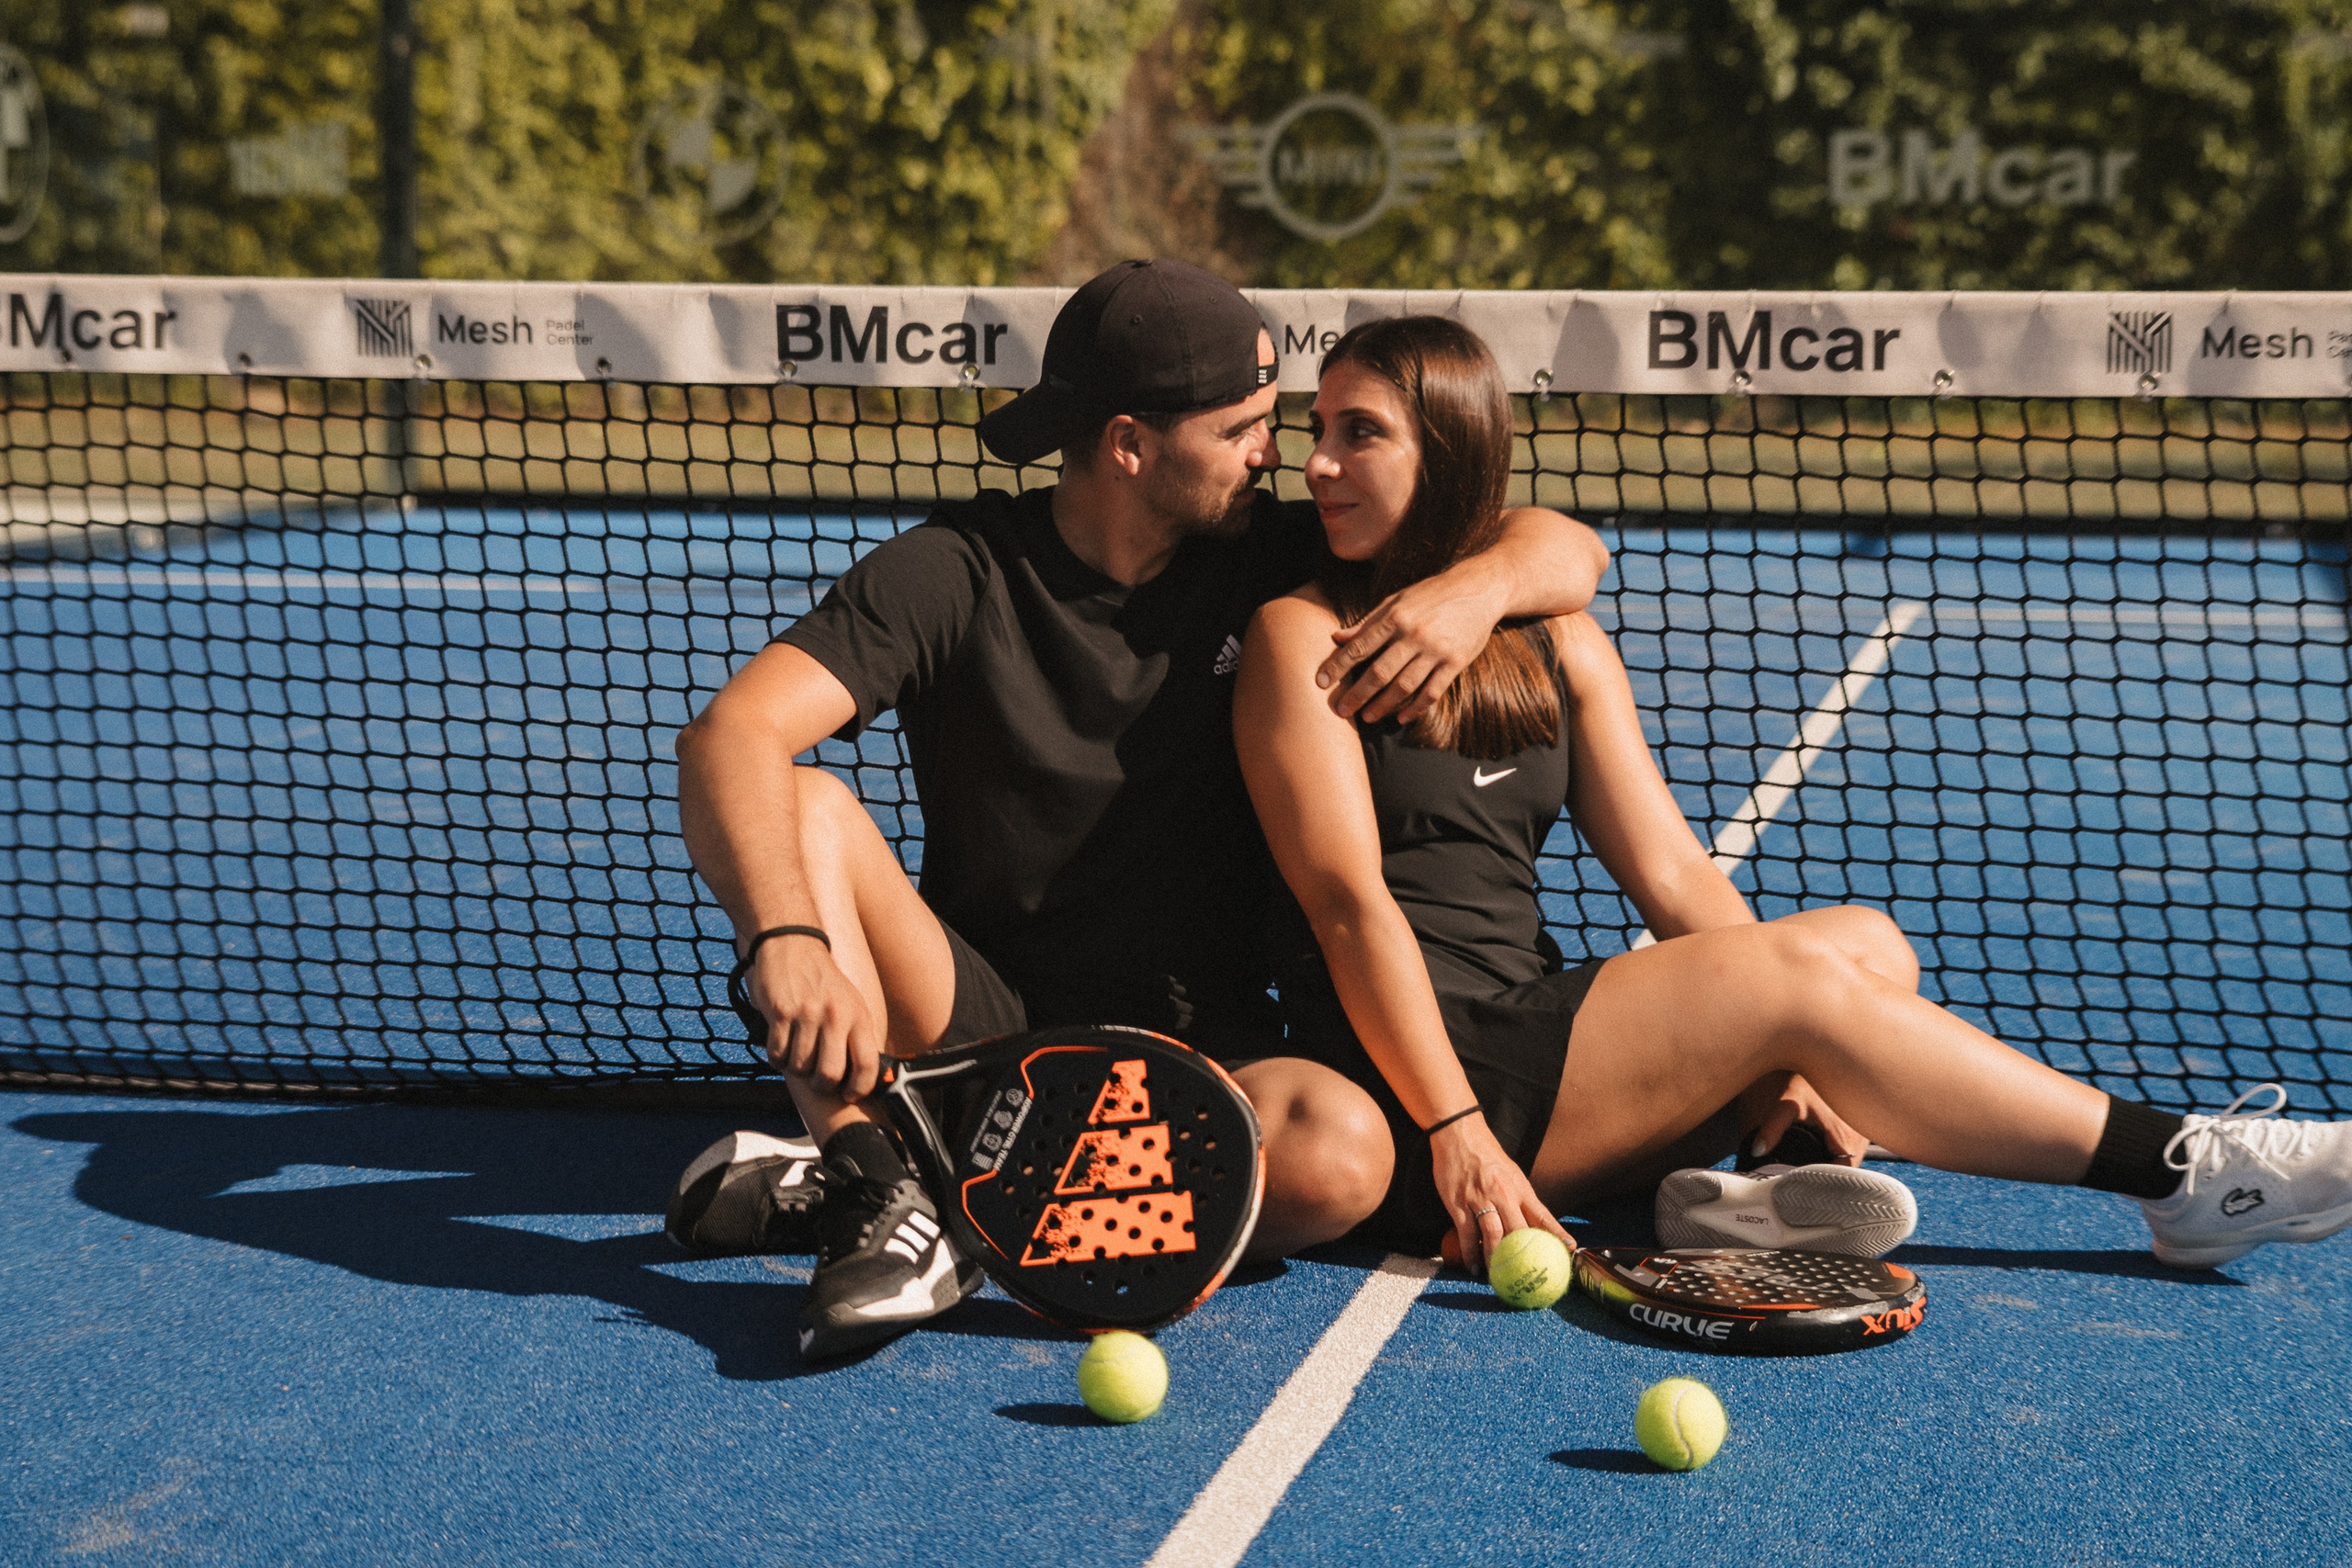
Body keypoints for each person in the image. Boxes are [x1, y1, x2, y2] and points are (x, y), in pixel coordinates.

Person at [1233, 313, 2352, 1279]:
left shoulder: (1555, 643)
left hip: (1535, 1042)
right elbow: (1346, 903)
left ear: (1452, 451)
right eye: (1318, 433)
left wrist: (1804, 1056)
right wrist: (1456, 1128)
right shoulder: (1300, 636)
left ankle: (1760, 1194)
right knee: (1805, 981)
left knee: (1866, 950)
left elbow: (1670, 872)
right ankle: (2179, 1171)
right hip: (1423, 1075)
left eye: (1360, 433)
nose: (1319, 464)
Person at [665, 263, 1611, 1358]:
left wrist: (1472, 593)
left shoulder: (1268, 554)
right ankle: (877, 1187)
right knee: (808, 808)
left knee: (1347, 1151)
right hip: (979, 1028)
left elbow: (1563, 543)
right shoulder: (956, 572)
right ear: (1129, 445)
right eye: (1244, 428)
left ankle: (925, 1185)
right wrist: (786, 937)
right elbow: (729, 735)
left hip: (1197, 1055)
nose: (1280, 456)